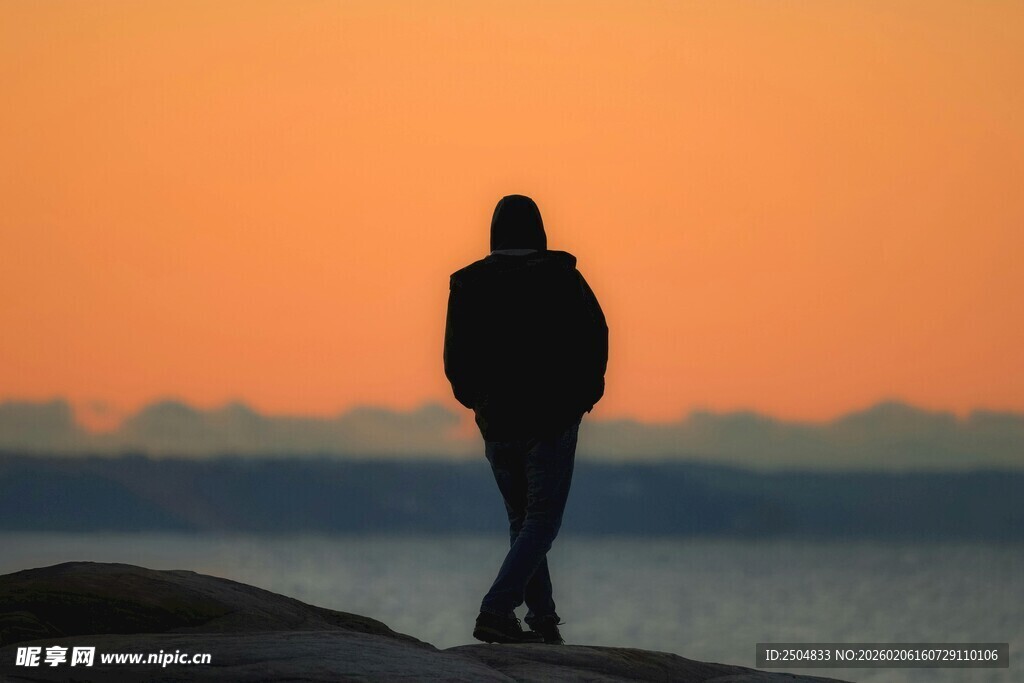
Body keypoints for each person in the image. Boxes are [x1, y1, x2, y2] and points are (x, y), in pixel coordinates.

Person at [443, 194, 608, 645]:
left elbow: (455, 361)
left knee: (523, 521)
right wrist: (583, 398)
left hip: (497, 424)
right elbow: (596, 336)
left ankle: (543, 621)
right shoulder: (562, 278)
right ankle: (497, 610)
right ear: (538, 230)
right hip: (550, 422)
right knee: (540, 522)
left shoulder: (468, 284)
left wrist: (477, 404)